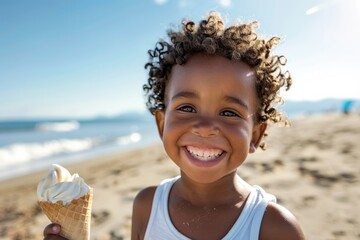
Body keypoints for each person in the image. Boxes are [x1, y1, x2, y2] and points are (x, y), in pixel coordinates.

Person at [43, 12, 305, 240]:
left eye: (228, 112)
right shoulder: (146, 205)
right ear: (161, 123)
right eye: (187, 108)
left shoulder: (274, 228)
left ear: (256, 135)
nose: (204, 127)